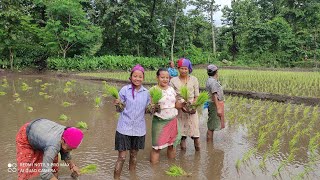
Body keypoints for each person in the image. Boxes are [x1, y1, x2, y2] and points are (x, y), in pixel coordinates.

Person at [113, 64, 150, 179]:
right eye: (135, 76)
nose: (137, 79)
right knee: (122, 157)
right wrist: (117, 104)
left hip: (139, 129)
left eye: (140, 77)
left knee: (134, 156)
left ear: (143, 78)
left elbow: (148, 111)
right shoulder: (125, 90)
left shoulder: (147, 93)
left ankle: (132, 177)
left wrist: (154, 107)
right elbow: (119, 109)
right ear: (131, 77)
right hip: (124, 128)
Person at [16, 118, 84, 180]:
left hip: (42, 131)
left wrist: (72, 166)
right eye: (69, 149)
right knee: (25, 168)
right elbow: (45, 173)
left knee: (53, 166)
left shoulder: (67, 131)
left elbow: (65, 150)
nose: (70, 151)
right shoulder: (52, 147)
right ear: (62, 140)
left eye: (72, 149)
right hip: (27, 134)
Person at [149, 68, 184, 164]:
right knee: (157, 147)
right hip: (160, 121)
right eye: (162, 77)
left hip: (172, 121)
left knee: (172, 145)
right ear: (157, 78)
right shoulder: (153, 90)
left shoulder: (171, 89)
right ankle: (154, 172)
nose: (165, 79)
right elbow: (149, 108)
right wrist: (152, 107)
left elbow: (176, 105)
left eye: (167, 78)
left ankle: (171, 166)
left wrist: (185, 104)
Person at [170, 58, 201, 151]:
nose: (183, 70)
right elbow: (172, 97)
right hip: (179, 110)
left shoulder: (194, 80)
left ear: (189, 69)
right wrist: (180, 106)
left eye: (185, 68)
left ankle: (198, 155)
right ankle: (183, 157)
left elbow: (197, 96)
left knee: (196, 136)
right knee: (182, 136)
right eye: (181, 68)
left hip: (192, 110)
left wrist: (193, 106)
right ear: (178, 68)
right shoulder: (173, 81)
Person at [205, 64, 225, 141]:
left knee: (212, 124)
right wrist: (218, 108)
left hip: (213, 104)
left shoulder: (210, 80)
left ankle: (210, 144)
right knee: (211, 126)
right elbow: (214, 95)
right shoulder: (213, 82)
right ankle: (209, 145)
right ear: (216, 72)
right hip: (214, 104)